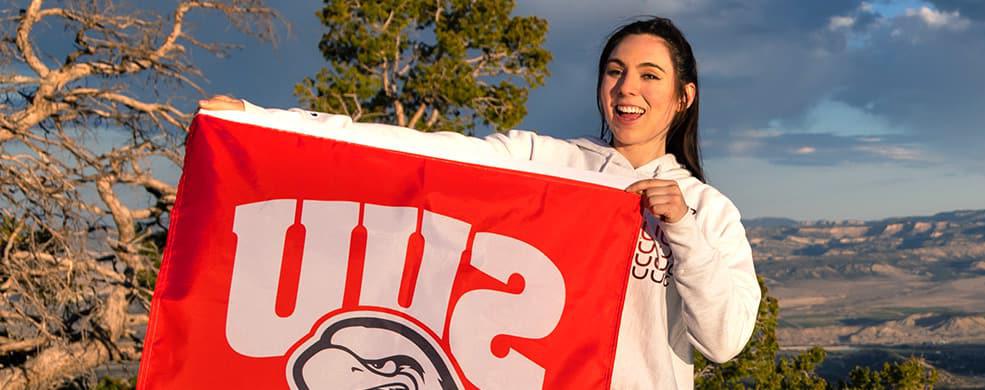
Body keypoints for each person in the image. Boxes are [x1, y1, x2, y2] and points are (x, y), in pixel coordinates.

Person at [196, 17, 758, 390]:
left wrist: (681, 228)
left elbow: (724, 341)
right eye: (614, 71)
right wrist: (268, 124)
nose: (626, 88)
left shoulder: (709, 212)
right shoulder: (544, 160)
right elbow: (418, 153)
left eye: (648, 75)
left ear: (684, 98)